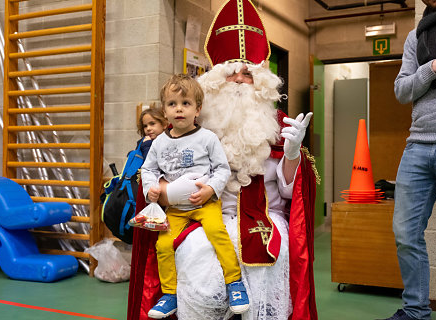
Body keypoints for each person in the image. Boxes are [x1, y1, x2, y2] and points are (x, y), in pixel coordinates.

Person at [127, 1, 319, 319]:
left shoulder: (279, 124)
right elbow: (161, 173)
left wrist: (292, 154)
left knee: (271, 257)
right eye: (232, 75)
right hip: (202, 216)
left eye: (248, 74)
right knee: (192, 253)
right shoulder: (195, 127)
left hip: (267, 218)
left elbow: (291, 195)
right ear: (215, 81)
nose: (241, 81)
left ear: (261, 82)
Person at [136, 73, 250, 319]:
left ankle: (234, 283)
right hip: (176, 209)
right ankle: (169, 294)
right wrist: (151, 188)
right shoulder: (158, 143)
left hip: (205, 203)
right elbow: (148, 169)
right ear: (164, 112)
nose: (179, 110)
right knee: (163, 244)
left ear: (197, 110)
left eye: (186, 104)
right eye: (172, 104)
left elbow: (222, 169)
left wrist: (210, 189)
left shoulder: (207, 138)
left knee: (217, 234)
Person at [379, 0, 436, 319]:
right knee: (405, 233)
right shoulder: (417, 35)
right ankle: (416, 311)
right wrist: (433, 67)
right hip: (417, 145)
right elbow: (402, 90)